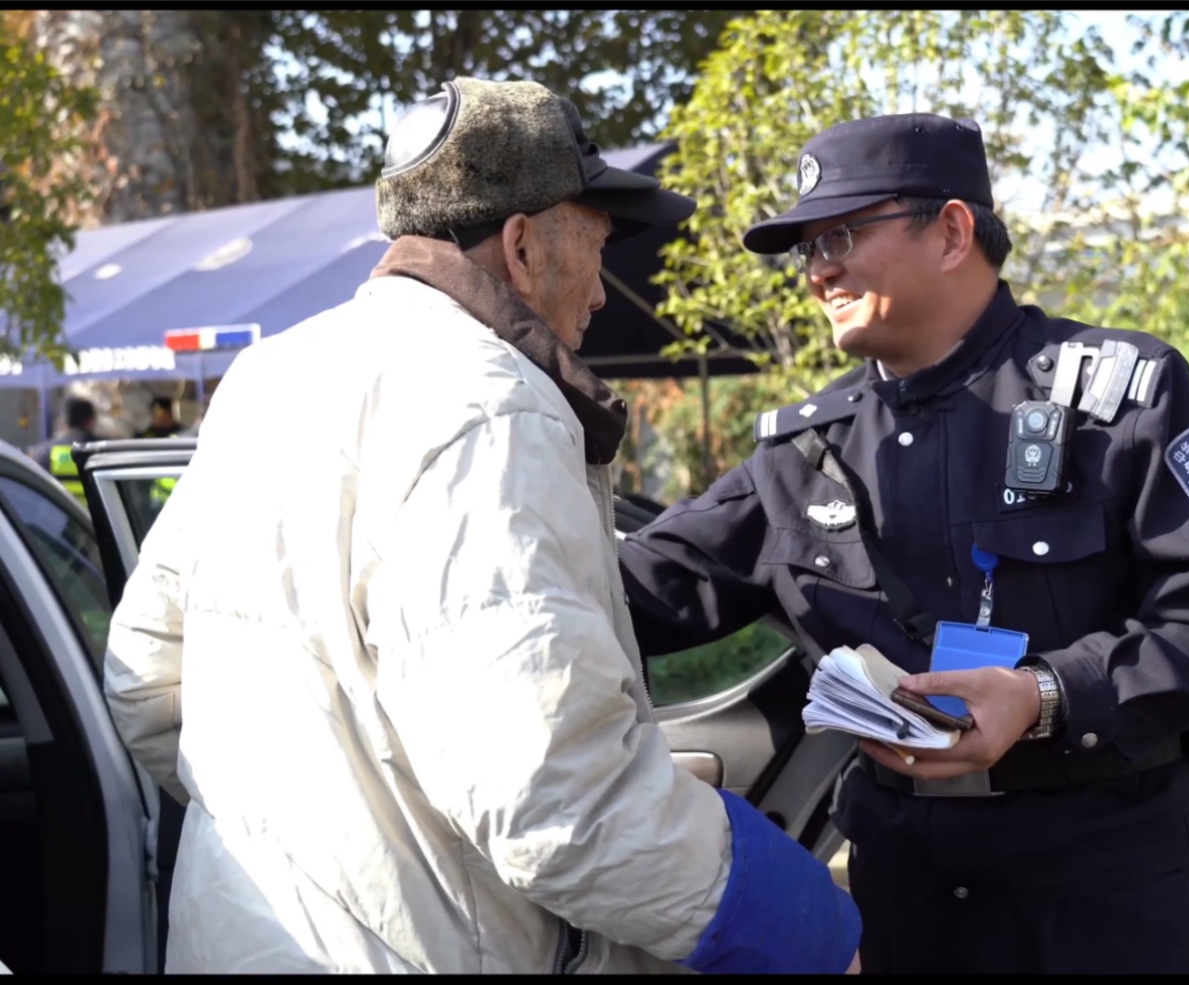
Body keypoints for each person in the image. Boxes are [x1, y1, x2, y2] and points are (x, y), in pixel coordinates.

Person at [101, 78, 860, 975]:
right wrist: (814, 934)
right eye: (598, 244)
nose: (605, 295)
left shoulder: (270, 376)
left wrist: (325, 832)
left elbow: (144, 685)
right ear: (524, 242)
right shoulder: (494, 405)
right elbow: (553, 797)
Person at [618, 113, 1189, 974]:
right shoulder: (803, 456)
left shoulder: (1123, 402)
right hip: (911, 903)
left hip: (1098, 905)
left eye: (841, 234)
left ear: (950, 231)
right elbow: (630, 593)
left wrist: (1043, 694)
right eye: (805, 248)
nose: (817, 268)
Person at [35, 396, 101, 506]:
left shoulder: (43, 453)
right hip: (99, 519)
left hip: (60, 517)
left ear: (64, 421)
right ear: (91, 421)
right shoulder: (103, 450)